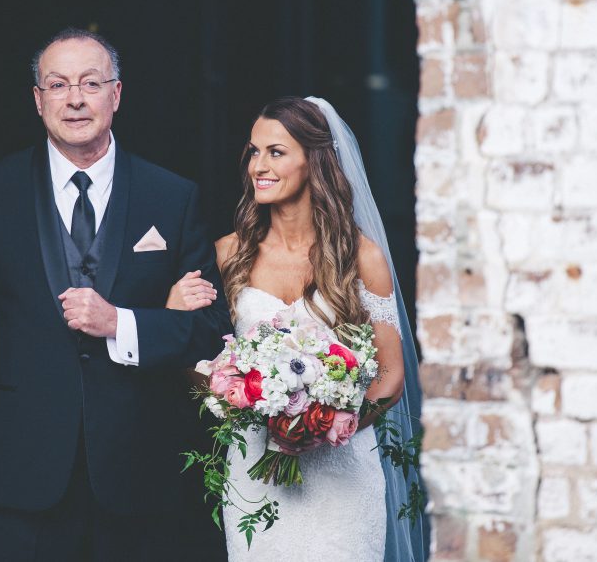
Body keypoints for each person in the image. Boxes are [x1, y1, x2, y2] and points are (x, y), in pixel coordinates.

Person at [0, 28, 231, 561]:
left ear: (116, 95)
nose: (75, 99)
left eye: (90, 83)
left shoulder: (172, 196)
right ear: (38, 99)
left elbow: (211, 331)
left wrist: (123, 323)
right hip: (18, 473)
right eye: (58, 84)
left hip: (138, 472)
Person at [168, 96, 427, 561]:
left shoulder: (361, 256)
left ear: (314, 160)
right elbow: (194, 361)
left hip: (342, 474)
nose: (258, 166)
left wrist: (324, 427)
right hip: (255, 473)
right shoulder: (227, 254)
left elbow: (390, 376)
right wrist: (236, 395)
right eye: (253, 151)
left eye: (275, 151)